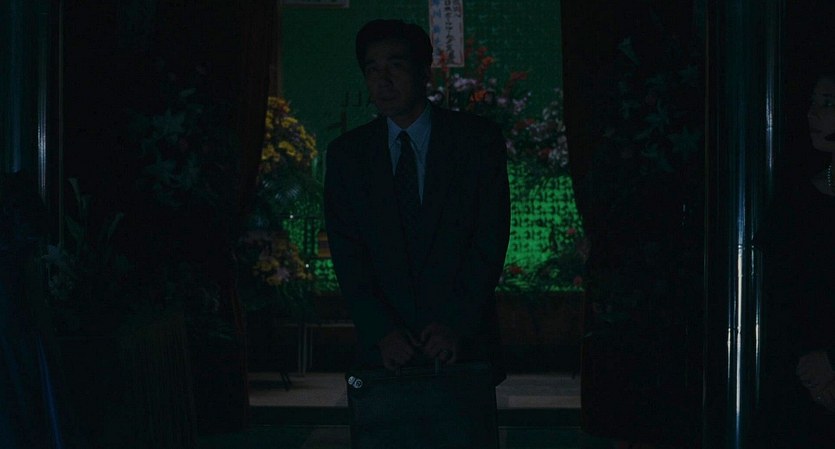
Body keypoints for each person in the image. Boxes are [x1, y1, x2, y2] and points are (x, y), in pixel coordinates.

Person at [323, 19, 510, 384]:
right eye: (372, 70)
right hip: (384, 353)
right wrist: (382, 332)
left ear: (424, 72)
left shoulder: (475, 142)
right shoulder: (348, 155)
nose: (383, 80)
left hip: (463, 347)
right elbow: (348, 255)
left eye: (395, 66)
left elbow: (489, 239)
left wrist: (455, 324)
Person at [753, 69, 835, 447]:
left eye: (828, 104)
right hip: (795, 384)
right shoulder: (795, 200)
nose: (812, 114)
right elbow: (780, 298)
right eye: (814, 103)